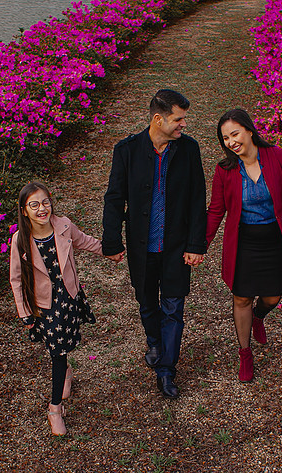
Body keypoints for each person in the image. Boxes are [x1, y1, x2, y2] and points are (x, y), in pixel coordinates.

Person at [101, 89, 208, 399]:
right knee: (147, 303)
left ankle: (166, 370)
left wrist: (196, 244)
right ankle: (155, 343)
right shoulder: (127, 151)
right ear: (158, 119)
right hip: (141, 247)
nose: (182, 125)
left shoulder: (188, 150)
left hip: (176, 248)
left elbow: (197, 198)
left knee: (174, 309)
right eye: (178, 119)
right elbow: (114, 198)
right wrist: (112, 241)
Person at [205, 108, 282, 382]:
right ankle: (245, 353)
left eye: (235, 134)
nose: (231, 142)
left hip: (274, 239)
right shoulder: (225, 170)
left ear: (249, 131)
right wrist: (200, 245)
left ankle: (259, 317)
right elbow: (216, 210)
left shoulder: (278, 157)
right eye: (225, 138)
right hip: (243, 242)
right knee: (241, 297)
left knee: (273, 295)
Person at [9, 181, 114, 435]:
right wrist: (24, 313)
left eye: (45, 202)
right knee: (58, 352)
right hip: (45, 306)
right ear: (25, 211)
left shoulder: (64, 225)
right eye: (34, 205)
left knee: (64, 346)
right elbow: (16, 279)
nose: (41, 209)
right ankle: (55, 408)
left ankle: (65, 372)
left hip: (68, 297)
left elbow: (85, 241)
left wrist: (112, 251)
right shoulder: (20, 240)